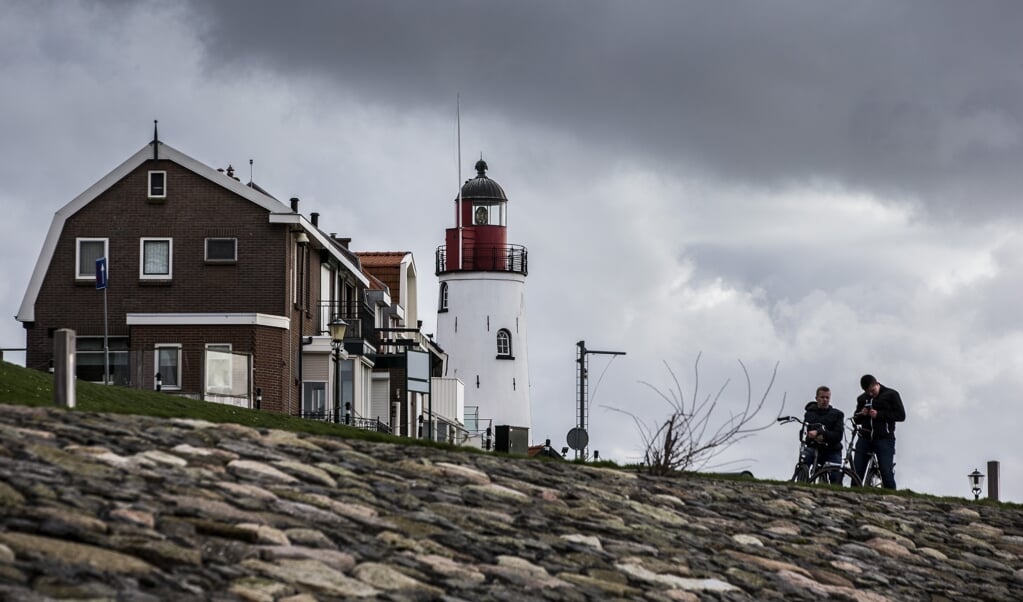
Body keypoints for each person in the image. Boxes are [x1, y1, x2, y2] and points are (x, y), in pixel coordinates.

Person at [853, 374, 906, 489]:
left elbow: (901, 415)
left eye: (872, 391)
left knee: (886, 472)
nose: (871, 394)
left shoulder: (891, 395)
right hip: (865, 438)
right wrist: (861, 414)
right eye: (868, 392)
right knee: (857, 472)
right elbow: (856, 419)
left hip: (884, 439)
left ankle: (892, 498)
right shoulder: (862, 398)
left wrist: (879, 415)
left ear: (877, 384)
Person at [802, 386, 844, 483]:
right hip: (814, 447)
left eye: (827, 397)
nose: (825, 400)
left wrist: (821, 434)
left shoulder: (837, 414)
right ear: (817, 398)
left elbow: (838, 436)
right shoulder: (809, 414)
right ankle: (801, 483)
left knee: (835, 475)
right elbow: (804, 433)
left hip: (832, 450)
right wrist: (812, 437)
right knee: (804, 461)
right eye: (822, 397)